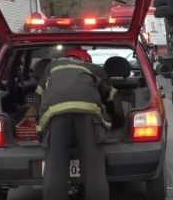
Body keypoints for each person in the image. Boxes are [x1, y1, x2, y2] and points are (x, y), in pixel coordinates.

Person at [35, 47, 124, 200]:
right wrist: (118, 123)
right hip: (88, 118)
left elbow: (37, 96)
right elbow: (113, 98)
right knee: (94, 170)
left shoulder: (52, 67)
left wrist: (41, 126)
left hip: (55, 117)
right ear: (85, 60)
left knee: (55, 169)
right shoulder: (95, 69)